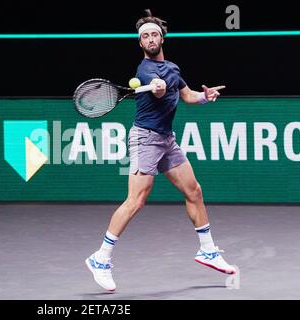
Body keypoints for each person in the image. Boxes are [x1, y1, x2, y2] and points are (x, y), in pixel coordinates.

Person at [85, 9, 236, 292]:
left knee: (194, 191)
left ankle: (207, 250)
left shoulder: (174, 68)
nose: (150, 38)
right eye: (145, 36)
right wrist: (155, 86)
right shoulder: (145, 70)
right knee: (136, 200)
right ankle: (100, 258)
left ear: (162, 37)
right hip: (145, 140)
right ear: (140, 43)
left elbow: (188, 96)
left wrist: (206, 96)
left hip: (167, 139)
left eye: (154, 33)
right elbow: (156, 89)